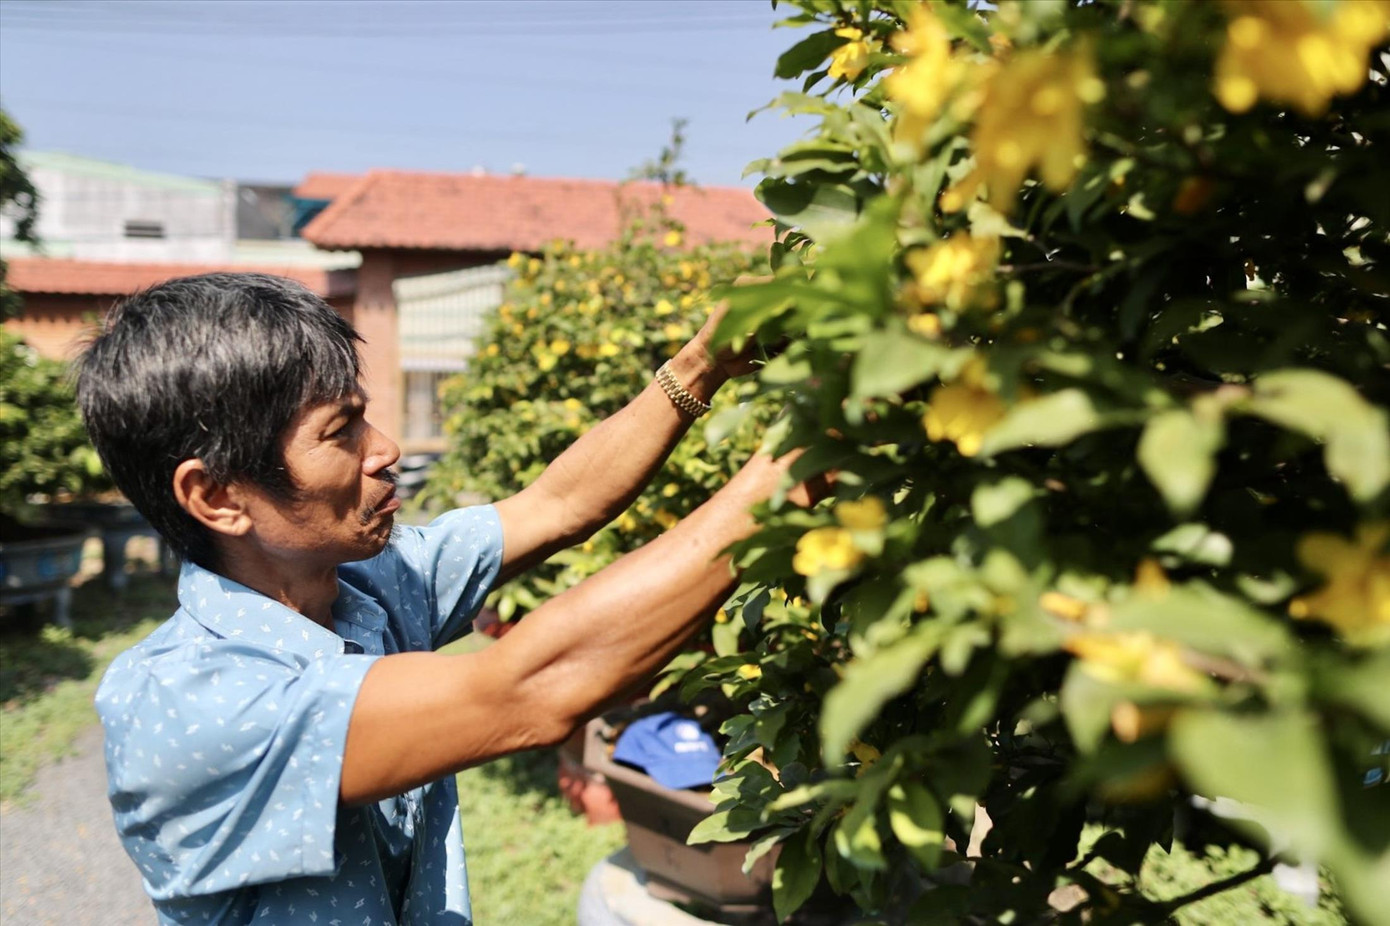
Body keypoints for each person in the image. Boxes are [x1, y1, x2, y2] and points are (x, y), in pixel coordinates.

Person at [76, 272, 805, 925]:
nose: (385, 448)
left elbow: (557, 505)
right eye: (341, 432)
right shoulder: (188, 703)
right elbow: (532, 691)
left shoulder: (370, 581)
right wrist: (806, 458)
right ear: (217, 496)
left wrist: (702, 365)